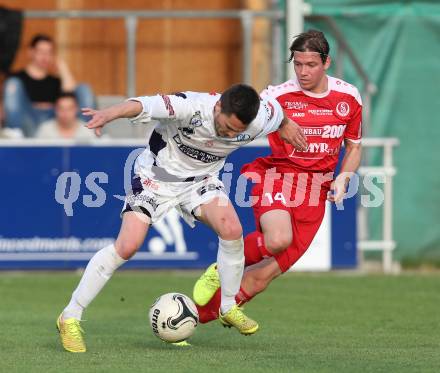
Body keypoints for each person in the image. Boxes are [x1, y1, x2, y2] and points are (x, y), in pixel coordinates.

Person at [56, 83, 305, 353]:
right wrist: (111, 113)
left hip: (200, 182)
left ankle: (228, 306)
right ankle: (70, 316)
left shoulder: (260, 118)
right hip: (155, 178)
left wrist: (286, 123)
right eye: (227, 127)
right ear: (218, 106)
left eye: (238, 132)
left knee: (232, 229)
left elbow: (278, 114)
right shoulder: (191, 106)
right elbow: (144, 104)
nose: (231, 134)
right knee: (128, 245)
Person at [192, 29, 363, 324]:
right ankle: (218, 271)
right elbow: (240, 116)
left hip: (315, 192)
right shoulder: (277, 96)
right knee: (278, 239)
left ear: (327, 63)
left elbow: (354, 146)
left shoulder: (348, 97)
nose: (303, 72)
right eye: (297, 64)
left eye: (310, 65)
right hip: (277, 176)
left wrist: (344, 177)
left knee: (262, 277)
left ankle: (194, 319)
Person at [3, 34, 95, 137]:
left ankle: (90, 133)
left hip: (53, 120)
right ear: (31, 52)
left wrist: (62, 66)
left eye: (49, 53)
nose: (45, 57)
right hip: (27, 121)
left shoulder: (55, 81)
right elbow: (9, 107)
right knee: (12, 84)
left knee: (84, 88)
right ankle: (13, 134)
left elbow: (70, 96)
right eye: (41, 52)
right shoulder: (17, 78)